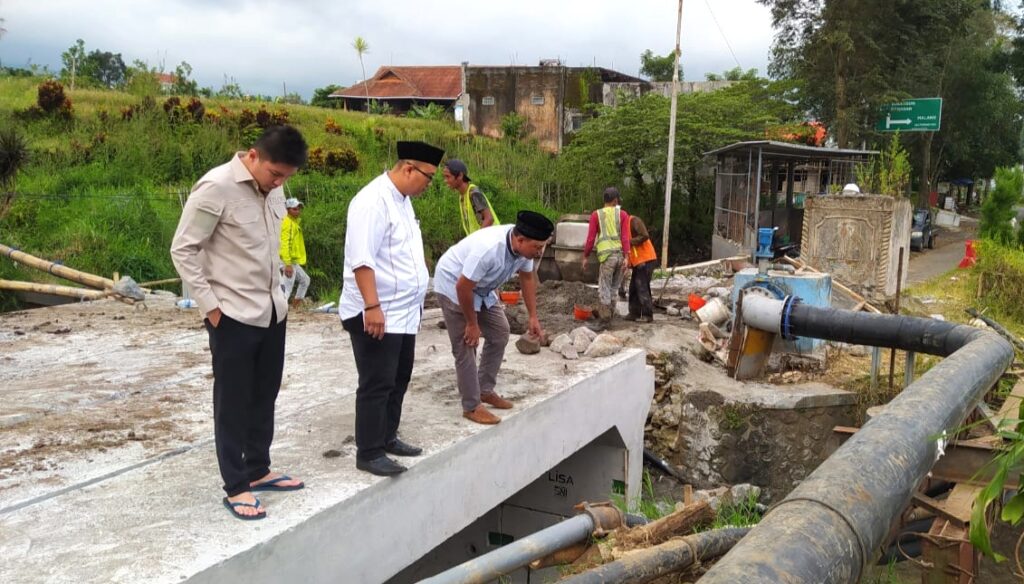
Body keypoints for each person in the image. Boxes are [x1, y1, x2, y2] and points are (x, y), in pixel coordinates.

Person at [170, 125, 308, 521]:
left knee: (265, 393)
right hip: (232, 315)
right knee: (233, 401)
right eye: (275, 174)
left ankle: (258, 468)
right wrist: (211, 307)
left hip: (272, 311)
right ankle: (236, 485)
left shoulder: (275, 189)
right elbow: (183, 249)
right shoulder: (216, 188)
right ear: (253, 156)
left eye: (285, 177)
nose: (279, 183)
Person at [339, 140, 445, 477]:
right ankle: (369, 452)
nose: (429, 185)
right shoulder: (372, 201)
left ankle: (387, 437)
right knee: (377, 382)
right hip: (377, 311)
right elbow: (362, 260)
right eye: (428, 177)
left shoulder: (403, 201)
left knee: (398, 377)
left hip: (404, 313)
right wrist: (372, 306)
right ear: (409, 169)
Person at [433, 211, 554, 425]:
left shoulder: (524, 252)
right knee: (467, 344)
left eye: (542, 247)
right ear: (520, 239)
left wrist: (533, 316)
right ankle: (471, 406)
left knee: (499, 332)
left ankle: (484, 389)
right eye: (537, 247)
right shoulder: (489, 250)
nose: (540, 252)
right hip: (454, 284)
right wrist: (472, 324)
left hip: (482, 287)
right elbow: (463, 287)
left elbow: (527, 279)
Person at [581, 187, 630, 322]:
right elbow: (625, 237)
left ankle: (605, 319)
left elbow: (591, 239)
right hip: (620, 256)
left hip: (607, 257)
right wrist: (627, 257)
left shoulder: (596, 215)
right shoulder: (623, 215)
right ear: (615, 200)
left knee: (604, 288)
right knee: (614, 288)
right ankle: (610, 315)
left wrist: (585, 256)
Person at [443, 158, 499, 236]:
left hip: (493, 240)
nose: (445, 180)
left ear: (460, 176)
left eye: (448, 176)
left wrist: (475, 240)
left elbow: (489, 219)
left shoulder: (474, 193)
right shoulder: (462, 196)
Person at [624, 212, 658, 323]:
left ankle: (648, 314)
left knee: (642, 287)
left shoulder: (634, 221)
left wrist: (629, 242)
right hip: (638, 262)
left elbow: (644, 235)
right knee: (633, 288)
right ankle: (634, 313)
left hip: (646, 259)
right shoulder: (623, 227)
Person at [280, 197, 310, 308]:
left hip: (293, 261)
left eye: (298, 209)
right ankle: (280, 310)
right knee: (287, 288)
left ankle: (295, 307)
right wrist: (287, 264)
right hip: (287, 261)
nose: (298, 211)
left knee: (305, 280)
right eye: (295, 209)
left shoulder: (294, 223)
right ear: (288, 210)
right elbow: (284, 243)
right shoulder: (287, 223)